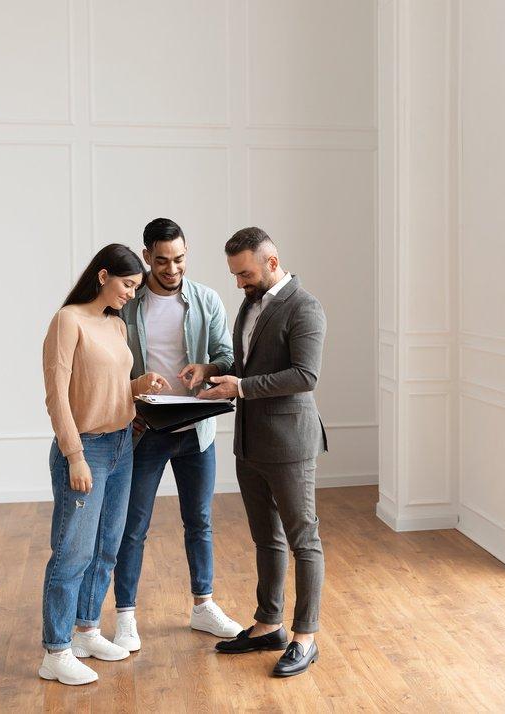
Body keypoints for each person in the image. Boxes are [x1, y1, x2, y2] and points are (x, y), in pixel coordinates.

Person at [111, 218, 243, 653]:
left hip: (196, 430)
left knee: (200, 522)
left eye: (180, 259)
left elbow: (226, 355)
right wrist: (127, 401)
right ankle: (126, 616)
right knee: (133, 526)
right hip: (145, 430)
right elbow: (108, 366)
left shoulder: (206, 300)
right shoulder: (126, 304)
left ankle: (203, 605)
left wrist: (206, 369)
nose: (172, 269)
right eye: (163, 260)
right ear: (146, 256)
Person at [39, 244, 169, 685]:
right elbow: (58, 395)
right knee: (72, 551)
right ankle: (55, 651)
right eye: (128, 284)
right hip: (87, 448)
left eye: (136, 287)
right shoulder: (68, 321)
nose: (132, 294)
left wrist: (138, 385)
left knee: (107, 546)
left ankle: (86, 630)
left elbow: (109, 386)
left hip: (122, 445)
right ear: (102, 276)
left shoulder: (115, 325)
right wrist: (74, 455)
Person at [201, 227, 328, 678]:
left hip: (291, 445)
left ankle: (305, 636)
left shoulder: (305, 307)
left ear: (272, 262)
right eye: (235, 275)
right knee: (265, 538)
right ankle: (269, 624)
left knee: (303, 540)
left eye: (246, 273)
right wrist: (215, 370)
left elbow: (304, 376)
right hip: (250, 442)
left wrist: (243, 387)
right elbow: (250, 362)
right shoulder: (251, 303)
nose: (239, 283)